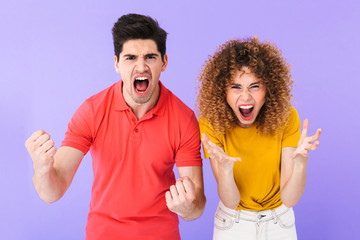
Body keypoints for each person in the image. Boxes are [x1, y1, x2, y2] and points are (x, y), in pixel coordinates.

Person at [25, 13, 206, 240]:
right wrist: (42, 170)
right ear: (117, 64)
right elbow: (52, 192)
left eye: (150, 57)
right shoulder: (92, 111)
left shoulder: (183, 118)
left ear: (164, 62)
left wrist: (187, 207)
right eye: (130, 58)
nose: (141, 67)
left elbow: (197, 205)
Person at [197, 37, 321, 239]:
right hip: (232, 223)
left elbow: (289, 199)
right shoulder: (211, 123)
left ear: (269, 89)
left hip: (280, 222)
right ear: (222, 91)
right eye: (235, 87)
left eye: (254, 86)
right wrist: (226, 171)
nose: (245, 97)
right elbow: (231, 201)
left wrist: (300, 165)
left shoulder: (287, 118)